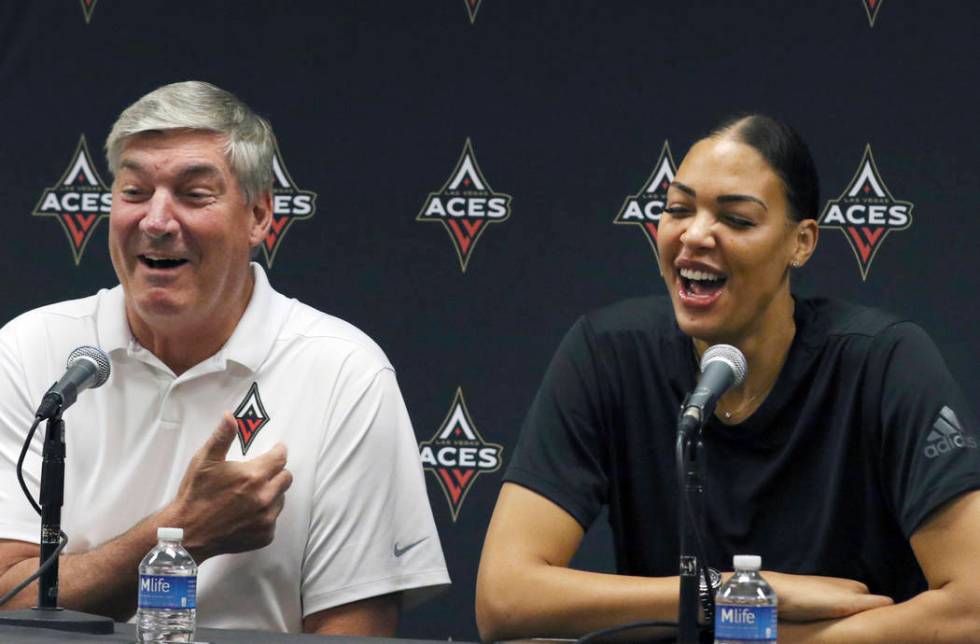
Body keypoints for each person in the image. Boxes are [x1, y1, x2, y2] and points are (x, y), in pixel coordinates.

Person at [476, 114, 980, 642]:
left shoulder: (884, 362)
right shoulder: (608, 353)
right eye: (677, 209)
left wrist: (770, 635)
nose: (694, 235)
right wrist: (729, 592)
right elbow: (504, 597)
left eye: (736, 220)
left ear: (801, 243)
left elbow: (969, 606)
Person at [0, 81, 449, 635]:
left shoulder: (343, 372)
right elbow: (7, 598)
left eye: (194, 194)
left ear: (259, 215)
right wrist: (183, 532)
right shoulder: (30, 350)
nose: (157, 221)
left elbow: (353, 631)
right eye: (135, 191)